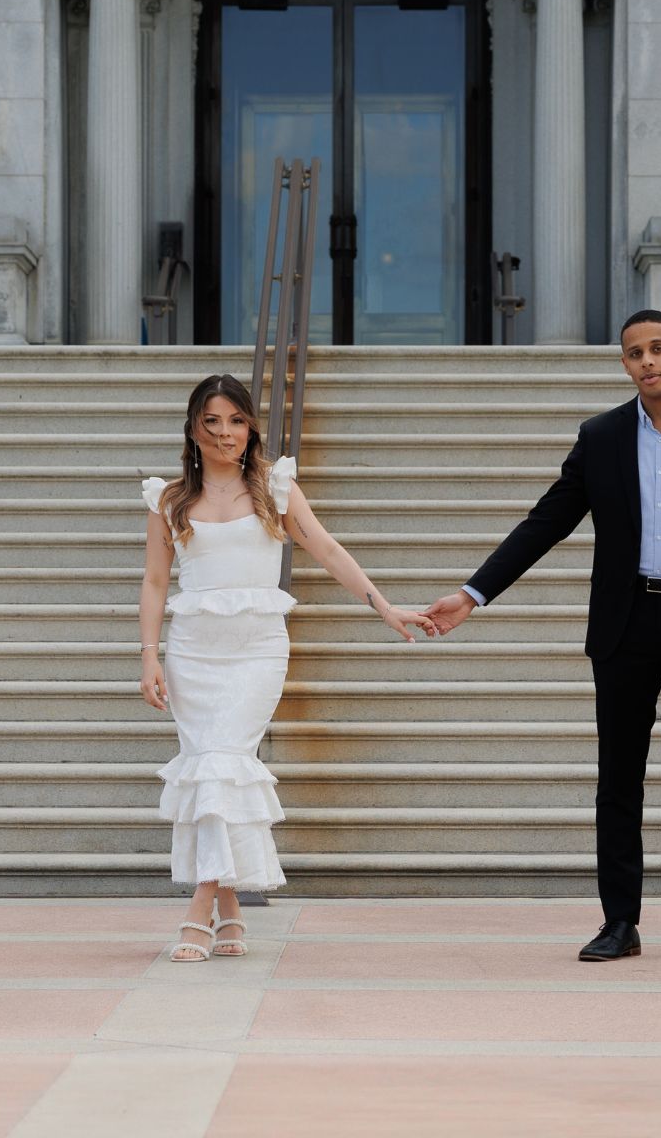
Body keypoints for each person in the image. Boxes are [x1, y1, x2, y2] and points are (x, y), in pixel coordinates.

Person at [425, 311, 661, 963]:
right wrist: (473, 593)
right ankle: (620, 921)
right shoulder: (604, 437)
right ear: (624, 364)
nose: (648, 361)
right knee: (618, 780)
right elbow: (545, 522)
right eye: (636, 353)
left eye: (659, 349)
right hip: (625, 625)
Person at [137, 374, 434, 961]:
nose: (225, 434)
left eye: (236, 421)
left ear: (251, 427)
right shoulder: (169, 499)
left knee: (224, 766)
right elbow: (152, 581)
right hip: (194, 650)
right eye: (212, 422)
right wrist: (149, 656)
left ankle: (198, 909)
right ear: (193, 430)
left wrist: (385, 607)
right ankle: (228, 911)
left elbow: (327, 550)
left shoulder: (275, 486)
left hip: (256, 650)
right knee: (209, 770)